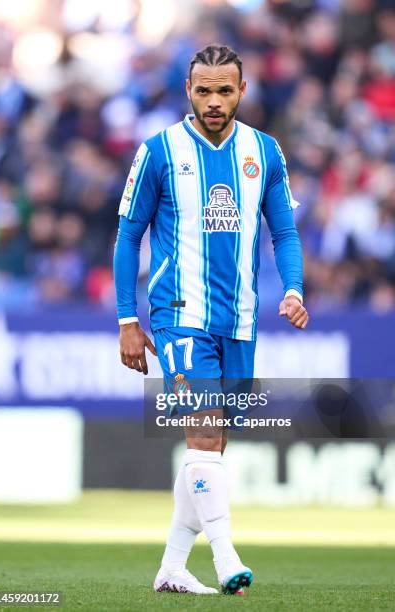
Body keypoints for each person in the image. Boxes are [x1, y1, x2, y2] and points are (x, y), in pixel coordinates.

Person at [114, 44, 309, 596]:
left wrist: (293, 288)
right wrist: (128, 319)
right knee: (203, 429)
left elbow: (285, 233)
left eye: (226, 90)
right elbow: (129, 236)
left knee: (210, 449)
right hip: (178, 314)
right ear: (188, 91)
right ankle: (226, 560)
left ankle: (173, 568)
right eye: (205, 90)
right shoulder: (158, 151)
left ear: (242, 90)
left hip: (240, 320)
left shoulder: (265, 152)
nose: (215, 100)